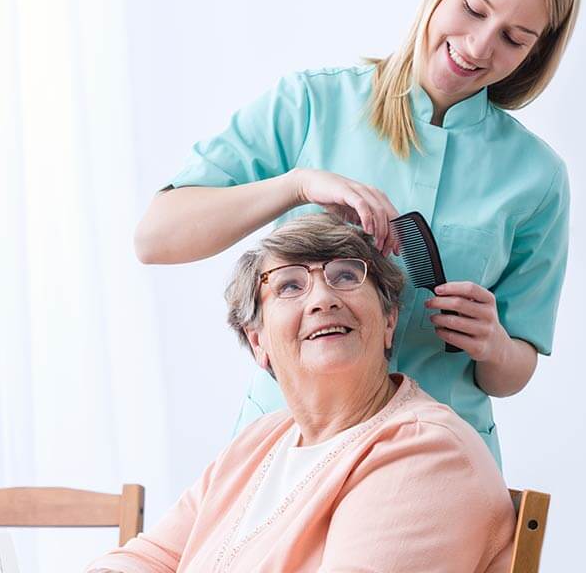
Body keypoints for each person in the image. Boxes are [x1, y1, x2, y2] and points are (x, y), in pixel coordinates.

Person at [134, 0, 582, 468]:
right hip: (292, 449)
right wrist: (297, 185)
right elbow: (156, 237)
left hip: (438, 465)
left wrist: (495, 345)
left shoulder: (537, 178)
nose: (480, 46)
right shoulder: (310, 104)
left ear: (536, 52)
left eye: (514, 38)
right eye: (473, 9)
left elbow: (515, 369)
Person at [86, 214, 516, 573]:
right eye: (290, 285)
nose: (323, 299)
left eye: (346, 275)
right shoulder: (260, 442)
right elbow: (151, 557)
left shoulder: (424, 452)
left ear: (388, 321)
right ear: (258, 343)